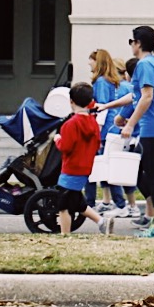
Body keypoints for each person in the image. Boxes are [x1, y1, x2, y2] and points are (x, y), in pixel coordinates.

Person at [120, 24, 154, 239]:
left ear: (138, 43)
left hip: (153, 126)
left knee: (151, 174)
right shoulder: (153, 63)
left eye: (131, 41)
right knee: (141, 173)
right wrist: (110, 108)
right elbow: (136, 97)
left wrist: (130, 124)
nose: (131, 45)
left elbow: (146, 97)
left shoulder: (143, 65)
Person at [52, 81, 114, 236]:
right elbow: (96, 143)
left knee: (63, 204)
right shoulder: (92, 122)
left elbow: (65, 147)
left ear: (71, 102)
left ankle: (65, 234)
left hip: (70, 167)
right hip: (85, 167)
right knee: (76, 200)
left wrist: (57, 139)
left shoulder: (70, 124)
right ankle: (101, 222)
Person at [86, 49, 133, 218]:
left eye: (91, 60)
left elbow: (102, 108)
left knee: (104, 167)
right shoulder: (110, 81)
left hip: (105, 131)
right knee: (109, 167)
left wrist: (96, 133)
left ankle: (118, 204)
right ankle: (118, 203)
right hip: (112, 129)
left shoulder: (100, 82)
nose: (89, 63)